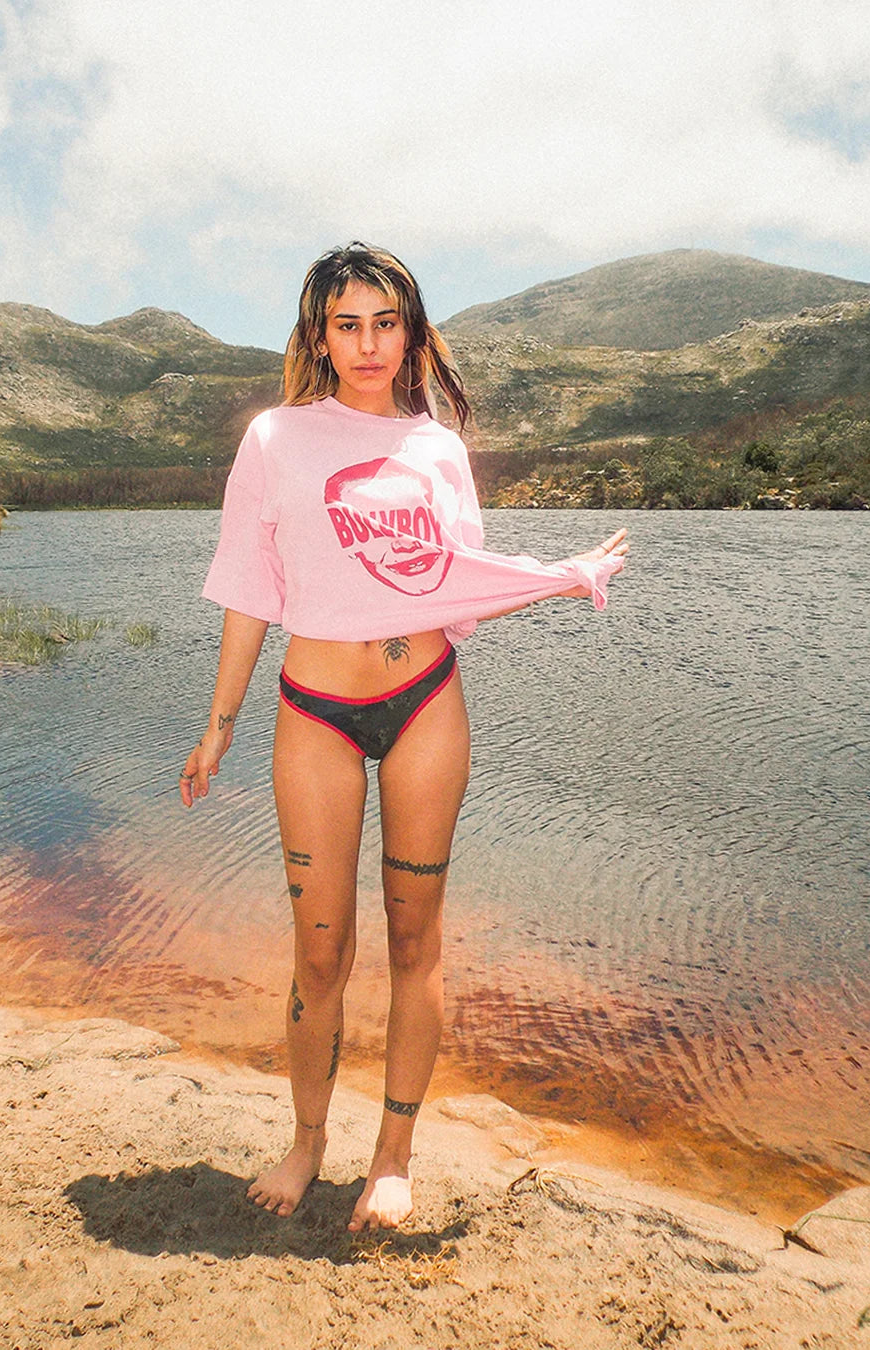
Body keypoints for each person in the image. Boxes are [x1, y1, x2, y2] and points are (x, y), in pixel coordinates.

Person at [180, 242, 628, 1233]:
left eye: (388, 323)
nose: (369, 344)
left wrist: (558, 574)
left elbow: (453, 584)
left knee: (416, 940)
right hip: (314, 715)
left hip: (424, 698)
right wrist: (216, 731)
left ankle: (393, 1157)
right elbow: (251, 595)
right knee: (322, 949)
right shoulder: (273, 440)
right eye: (349, 324)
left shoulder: (436, 448)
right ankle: (306, 1144)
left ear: (413, 334)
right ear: (317, 335)